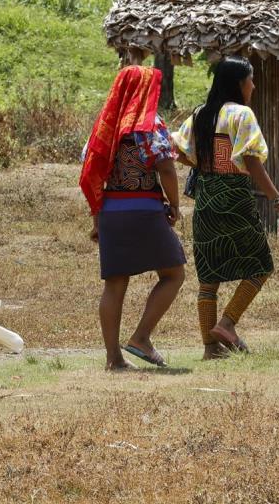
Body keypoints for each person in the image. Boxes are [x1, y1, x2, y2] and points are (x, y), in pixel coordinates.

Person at [172, 56, 279, 359]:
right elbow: (252, 161)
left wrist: (205, 162)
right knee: (261, 265)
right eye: (251, 79)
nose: (253, 85)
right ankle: (227, 323)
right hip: (234, 198)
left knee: (208, 278)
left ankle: (210, 348)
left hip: (206, 198)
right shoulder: (242, 115)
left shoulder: (200, 114)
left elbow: (179, 151)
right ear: (239, 83)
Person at [80, 65, 186, 370]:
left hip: (111, 211)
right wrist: (175, 205)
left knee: (114, 284)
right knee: (174, 273)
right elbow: (165, 167)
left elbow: (92, 171)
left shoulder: (105, 125)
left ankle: (114, 358)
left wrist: (97, 218)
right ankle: (141, 337)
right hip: (145, 210)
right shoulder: (150, 124)